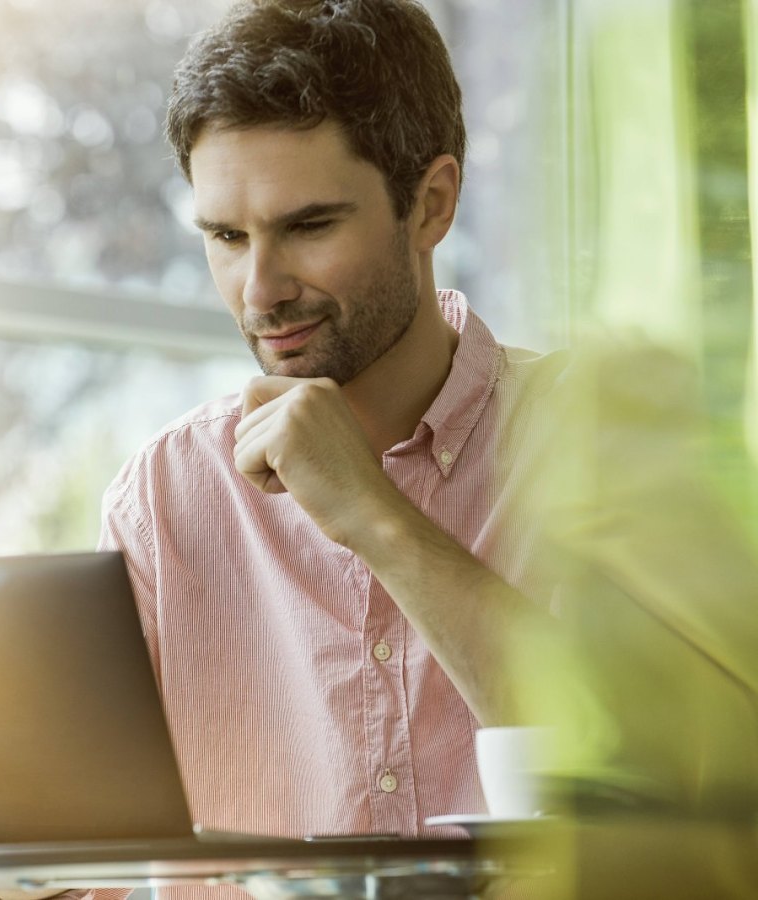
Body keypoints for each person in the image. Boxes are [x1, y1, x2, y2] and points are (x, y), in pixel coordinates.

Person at [98, 0, 566, 846]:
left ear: (431, 204)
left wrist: (372, 515)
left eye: (307, 226)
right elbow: (57, 874)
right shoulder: (164, 496)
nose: (259, 289)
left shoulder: (582, 442)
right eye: (226, 236)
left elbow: (635, 760)